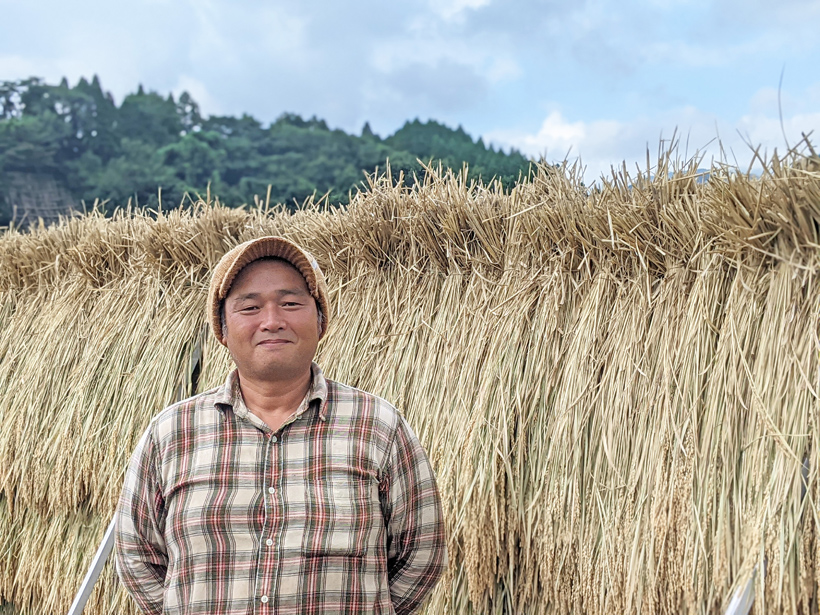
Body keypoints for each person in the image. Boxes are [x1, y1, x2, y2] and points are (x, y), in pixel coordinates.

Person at [115, 236, 447, 615]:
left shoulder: (378, 426)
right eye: (250, 307)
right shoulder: (172, 432)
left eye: (290, 304)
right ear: (222, 329)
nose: (272, 321)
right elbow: (137, 556)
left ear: (320, 321)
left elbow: (422, 553)